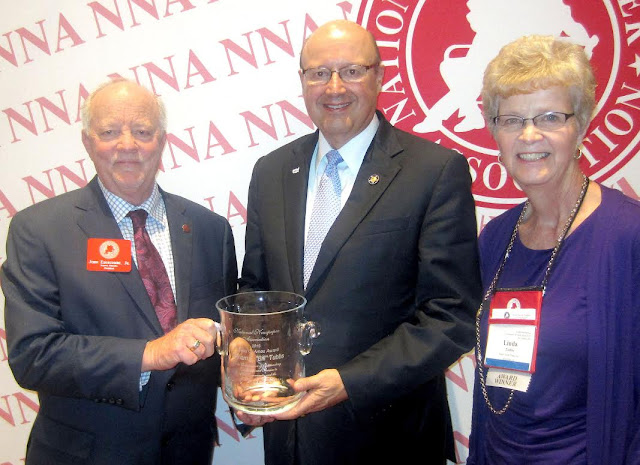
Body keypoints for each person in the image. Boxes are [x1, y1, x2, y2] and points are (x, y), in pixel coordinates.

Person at [237, 19, 482, 465]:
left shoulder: (434, 171)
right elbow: (257, 291)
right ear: (302, 81)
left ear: (379, 76)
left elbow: (451, 316)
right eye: (319, 73)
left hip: (389, 436)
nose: (334, 87)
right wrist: (247, 367)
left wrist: (350, 382)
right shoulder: (271, 171)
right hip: (289, 439)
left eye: (351, 71)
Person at [2, 79, 237, 465]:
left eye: (142, 131)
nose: (127, 145)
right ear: (87, 142)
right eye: (109, 132)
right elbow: (33, 355)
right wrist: (150, 353)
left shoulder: (210, 229)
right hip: (85, 455)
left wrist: (245, 379)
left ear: (161, 141)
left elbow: (225, 336)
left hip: (187, 452)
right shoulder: (38, 230)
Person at [467, 35, 640, 464]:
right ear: (495, 132)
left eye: (549, 117)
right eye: (512, 120)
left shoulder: (629, 237)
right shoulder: (496, 239)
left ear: (580, 125)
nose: (529, 135)